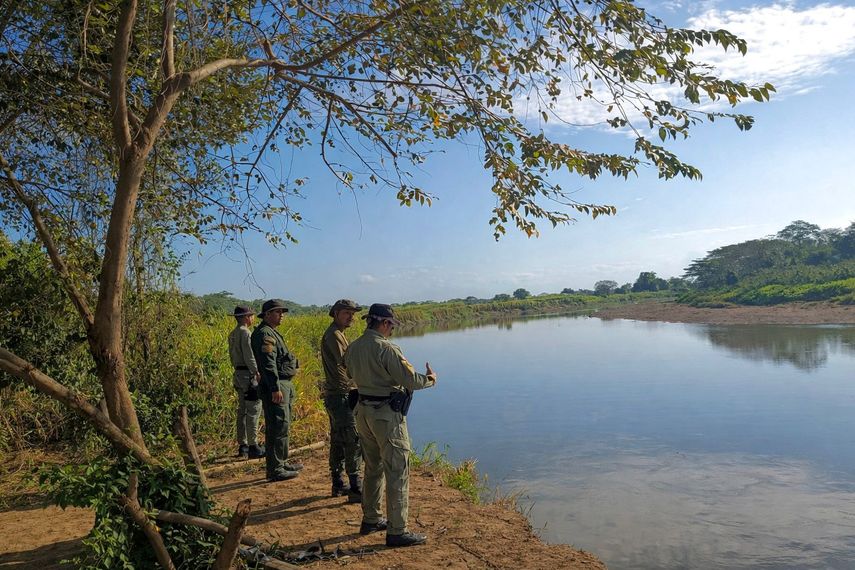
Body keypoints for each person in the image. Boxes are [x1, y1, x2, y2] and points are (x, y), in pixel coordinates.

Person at [344, 303, 437, 547]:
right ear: (384, 323)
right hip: (386, 416)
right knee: (397, 469)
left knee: (373, 467)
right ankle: (397, 531)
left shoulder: (353, 347)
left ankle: (371, 519)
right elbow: (410, 380)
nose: (392, 330)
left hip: (363, 413)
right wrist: (430, 379)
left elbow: (349, 372)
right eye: (391, 325)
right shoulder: (387, 349)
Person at [251, 299, 303, 482]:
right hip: (277, 385)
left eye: (282, 312)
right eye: (277, 312)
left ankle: (281, 461)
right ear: (267, 315)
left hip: (283, 384)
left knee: (283, 425)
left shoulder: (272, 332)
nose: (281, 315)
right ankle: (275, 469)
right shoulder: (265, 334)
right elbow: (268, 364)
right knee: (277, 426)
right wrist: (274, 387)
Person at [320, 299, 364, 501]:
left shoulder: (337, 334)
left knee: (338, 439)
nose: (351, 317)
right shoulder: (334, 335)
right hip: (341, 394)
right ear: (336, 313)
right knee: (352, 439)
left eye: (353, 313)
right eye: (347, 313)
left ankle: (338, 482)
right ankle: (355, 486)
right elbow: (348, 362)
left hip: (337, 393)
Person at [228, 305, 265, 459]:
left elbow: (232, 355)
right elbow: (249, 355)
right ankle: (253, 445)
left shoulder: (233, 334)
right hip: (248, 375)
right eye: (251, 315)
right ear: (245, 318)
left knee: (242, 410)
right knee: (254, 409)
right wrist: (256, 372)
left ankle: (242, 445)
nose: (252, 318)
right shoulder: (245, 333)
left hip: (238, 373)